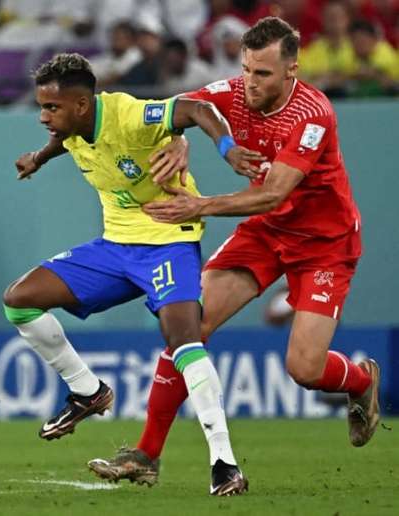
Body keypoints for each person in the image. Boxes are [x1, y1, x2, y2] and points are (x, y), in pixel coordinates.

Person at [91, 16, 381, 488]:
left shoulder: (313, 114)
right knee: (187, 325)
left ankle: (362, 380)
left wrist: (201, 204)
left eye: (262, 73)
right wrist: (180, 138)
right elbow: (175, 110)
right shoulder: (230, 92)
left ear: (292, 70)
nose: (249, 82)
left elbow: (273, 193)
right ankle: (145, 454)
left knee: (304, 368)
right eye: (246, 69)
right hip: (266, 234)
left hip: (324, 245)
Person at [5, 53, 266, 496]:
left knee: (184, 339)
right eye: (42, 106)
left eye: (51, 108)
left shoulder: (129, 114)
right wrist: (40, 157)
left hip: (168, 239)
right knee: (20, 300)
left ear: (83, 105)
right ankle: (87, 391)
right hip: (115, 247)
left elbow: (197, 109)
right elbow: (65, 140)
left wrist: (227, 149)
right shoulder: (72, 129)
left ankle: (224, 463)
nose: (43, 116)